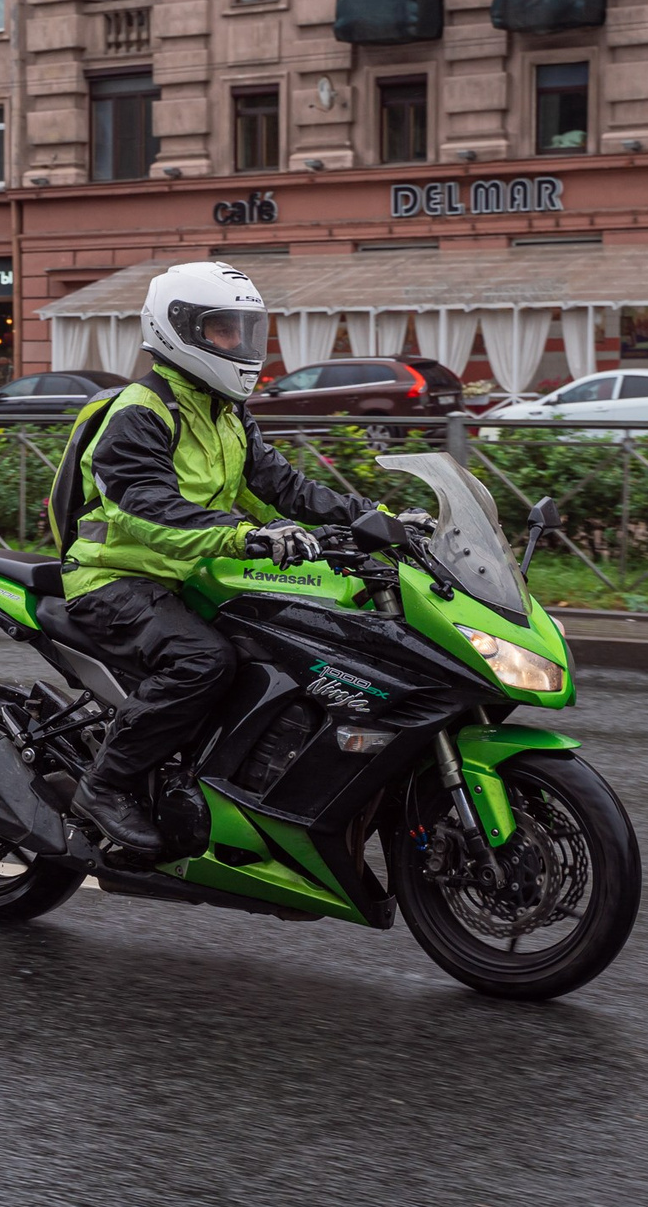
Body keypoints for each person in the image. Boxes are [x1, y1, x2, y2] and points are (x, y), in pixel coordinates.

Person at [59, 261, 414, 856]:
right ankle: (106, 783)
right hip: (114, 576)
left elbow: (284, 487)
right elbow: (144, 508)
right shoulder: (140, 412)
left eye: (247, 331)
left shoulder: (226, 414)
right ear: (179, 331)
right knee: (202, 661)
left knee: (288, 644)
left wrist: (374, 519)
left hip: (191, 575)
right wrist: (247, 536)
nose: (240, 346)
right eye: (224, 331)